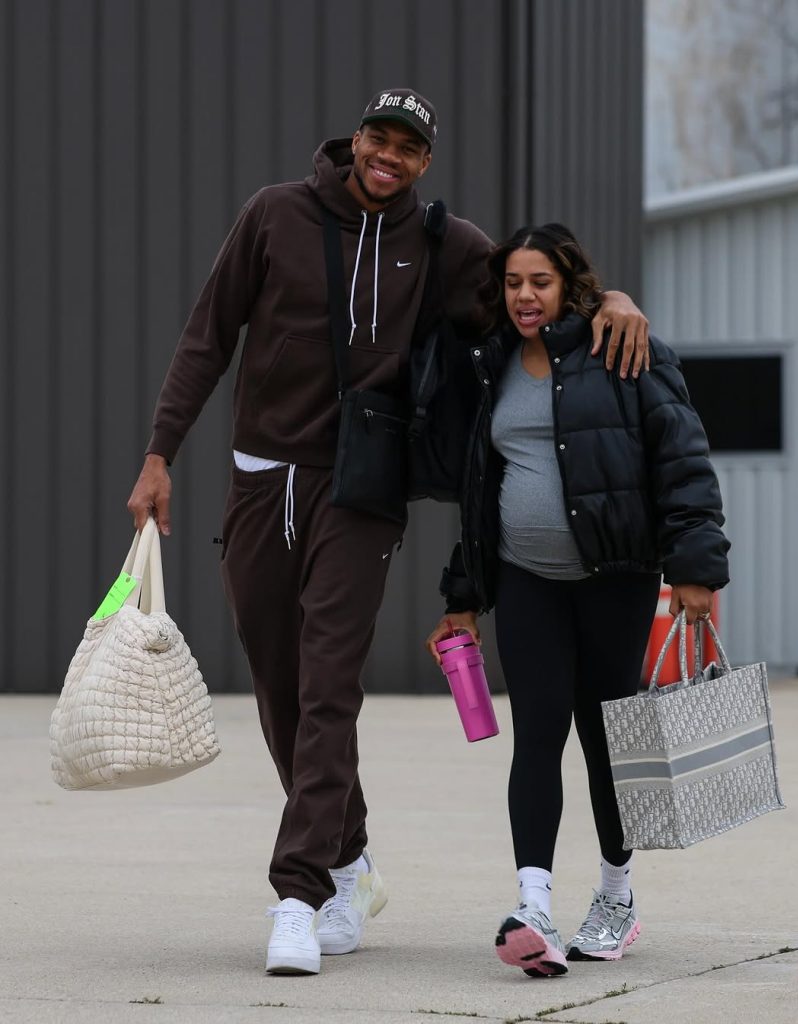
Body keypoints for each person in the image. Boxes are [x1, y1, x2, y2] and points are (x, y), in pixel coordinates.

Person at [126, 90, 650, 977]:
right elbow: (208, 337)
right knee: (280, 686)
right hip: (261, 479)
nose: (390, 158)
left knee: (329, 679)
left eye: (410, 148)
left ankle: (300, 893)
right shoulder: (273, 214)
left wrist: (619, 300)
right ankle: (352, 858)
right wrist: (159, 453)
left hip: (363, 488)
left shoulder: (446, 243)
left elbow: (538, 285)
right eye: (380, 139)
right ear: (354, 140)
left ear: (424, 162)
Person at [426, 223, 730, 978]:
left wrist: (696, 568)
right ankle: (532, 905)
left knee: (604, 738)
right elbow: (479, 488)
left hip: (614, 576)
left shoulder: (624, 348)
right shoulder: (491, 362)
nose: (525, 297)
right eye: (513, 284)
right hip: (526, 577)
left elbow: (682, 458)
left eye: (541, 283)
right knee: (537, 735)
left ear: (572, 287)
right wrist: (463, 593)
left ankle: (617, 898)